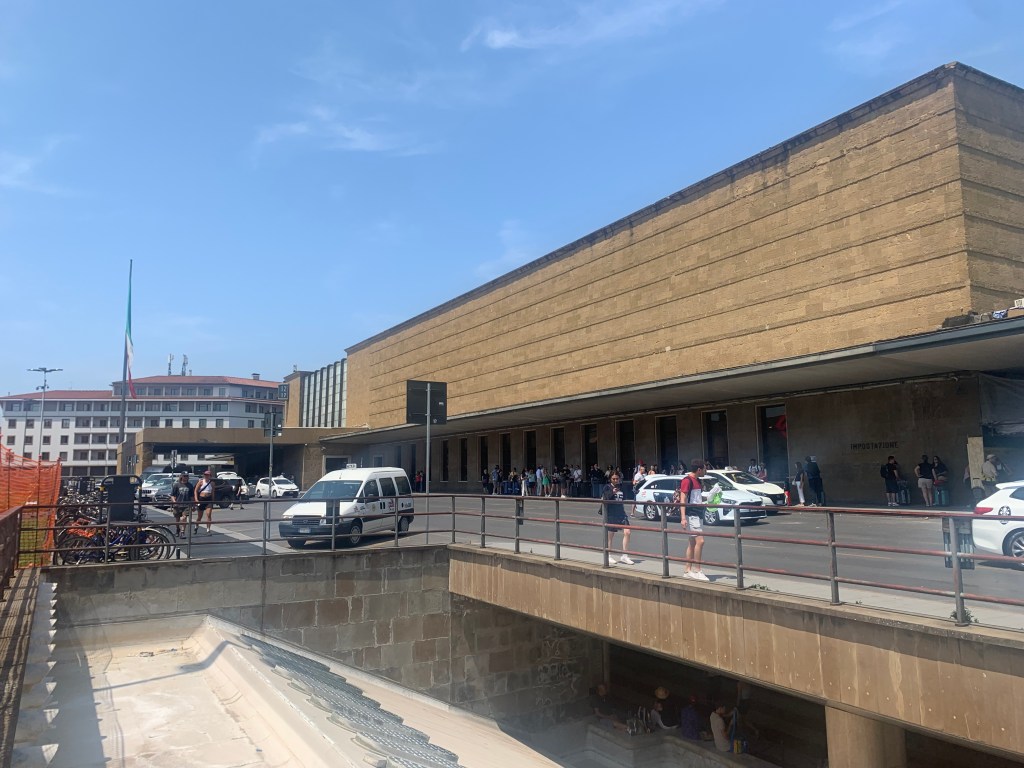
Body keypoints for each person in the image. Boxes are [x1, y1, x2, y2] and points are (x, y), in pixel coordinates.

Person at [678, 461, 708, 581]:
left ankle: (687, 570)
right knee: (700, 541)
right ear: (699, 470)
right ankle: (698, 570)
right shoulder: (687, 480)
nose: (706, 471)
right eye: (704, 469)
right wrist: (683, 517)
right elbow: (683, 499)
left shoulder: (698, 481)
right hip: (692, 514)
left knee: (692, 543)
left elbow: (697, 498)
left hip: (698, 513)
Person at [601, 472, 633, 564]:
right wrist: (612, 492)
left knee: (627, 532)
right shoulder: (607, 487)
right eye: (613, 479)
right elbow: (604, 498)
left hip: (621, 513)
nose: (615, 480)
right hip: (611, 513)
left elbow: (625, 497)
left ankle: (625, 556)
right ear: (610, 479)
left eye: (617, 479)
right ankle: (608, 555)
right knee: (611, 534)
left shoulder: (621, 487)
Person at [170, 472, 194, 538]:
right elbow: (172, 495)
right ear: (181, 476)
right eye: (184, 476)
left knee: (184, 517)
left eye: (187, 476)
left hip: (186, 505)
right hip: (178, 505)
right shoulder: (177, 485)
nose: (185, 477)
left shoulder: (190, 485)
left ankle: (182, 532)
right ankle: (177, 529)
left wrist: (193, 505)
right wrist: (174, 502)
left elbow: (192, 496)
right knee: (177, 519)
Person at [193, 470, 215, 535]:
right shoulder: (201, 482)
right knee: (200, 516)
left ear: (210, 476)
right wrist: (196, 499)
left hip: (208, 499)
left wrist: (213, 500)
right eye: (205, 475)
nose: (206, 476)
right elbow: (195, 491)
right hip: (201, 499)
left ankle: (208, 529)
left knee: (208, 514)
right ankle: (196, 526)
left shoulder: (212, 483)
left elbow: (213, 492)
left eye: (207, 475)